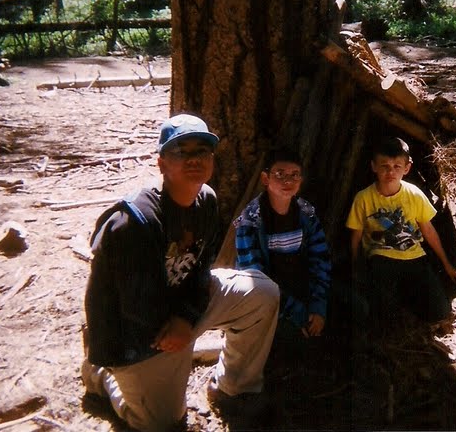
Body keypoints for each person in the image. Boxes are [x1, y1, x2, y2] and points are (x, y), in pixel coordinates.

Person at [81, 113, 280, 432]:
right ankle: (103, 375)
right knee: (162, 424)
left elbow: (203, 269)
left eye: (201, 151)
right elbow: (134, 309)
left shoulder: (207, 201)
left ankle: (234, 388)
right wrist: (182, 330)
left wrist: (187, 317)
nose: (193, 159)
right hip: (132, 334)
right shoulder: (135, 223)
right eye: (180, 151)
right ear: (161, 163)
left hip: (176, 311)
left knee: (262, 293)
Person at [346, 136, 456, 331]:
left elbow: (428, 230)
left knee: (440, 311)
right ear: (373, 166)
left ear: (407, 168)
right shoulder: (364, 198)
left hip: (414, 257)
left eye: (397, 166)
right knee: (382, 312)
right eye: (384, 166)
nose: (390, 172)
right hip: (381, 258)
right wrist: (355, 265)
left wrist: (447, 265)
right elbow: (355, 235)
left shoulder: (413, 194)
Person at [234, 147, 331, 340]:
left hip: (300, 289)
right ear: (265, 179)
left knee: (356, 309)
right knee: (290, 337)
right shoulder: (251, 220)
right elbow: (256, 278)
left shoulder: (306, 213)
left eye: (294, 175)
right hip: (268, 298)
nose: (288, 181)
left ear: (301, 180)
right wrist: (298, 313)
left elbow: (320, 260)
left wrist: (317, 305)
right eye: (280, 174)